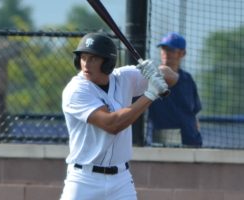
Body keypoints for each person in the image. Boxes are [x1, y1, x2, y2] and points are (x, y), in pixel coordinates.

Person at [59, 32, 177, 200]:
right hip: (84, 180)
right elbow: (112, 125)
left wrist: (156, 71)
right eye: (83, 57)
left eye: (93, 58)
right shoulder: (76, 90)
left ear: (107, 62)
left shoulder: (124, 77)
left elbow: (172, 77)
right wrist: (150, 94)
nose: (86, 64)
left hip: (121, 180)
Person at [147, 32, 202, 147]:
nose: (166, 53)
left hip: (191, 139)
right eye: (163, 49)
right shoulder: (153, 77)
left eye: (171, 50)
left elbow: (194, 113)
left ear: (182, 53)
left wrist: (196, 133)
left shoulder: (188, 79)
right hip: (162, 140)